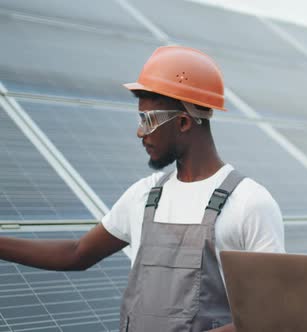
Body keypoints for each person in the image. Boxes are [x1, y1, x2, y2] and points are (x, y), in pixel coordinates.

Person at [0, 46, 285, 332]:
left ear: (183, 122)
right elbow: (77, 253)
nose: (140, 133)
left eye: (147, 121)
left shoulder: (250, 203)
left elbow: (269, 316)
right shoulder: (145, 196)